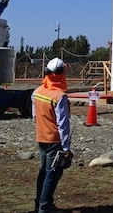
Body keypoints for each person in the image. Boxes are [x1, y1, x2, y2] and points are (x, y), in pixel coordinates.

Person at [32, 58, 72, 213]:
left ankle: (40, 204)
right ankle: (45, 207)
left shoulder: (37, 92)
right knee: (52, 174)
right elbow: (63, 124)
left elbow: (35, 116)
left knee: (43, 172)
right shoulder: (59, 96)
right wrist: (66, 147)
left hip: (41, 137)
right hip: (55, 141)